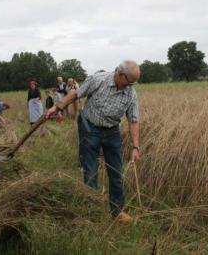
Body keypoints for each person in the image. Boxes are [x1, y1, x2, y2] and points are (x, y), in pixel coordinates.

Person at [45, 61, 141, 224]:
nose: (130, 86)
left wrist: (135, 147)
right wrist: (57, 107)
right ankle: (91, 213)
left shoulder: (130, 93)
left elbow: (133, 120)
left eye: (133, 83)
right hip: (90, 128)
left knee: (116, 173)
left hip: (112, 132)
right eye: (128, 82)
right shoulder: (98, 80)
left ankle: (117, 213)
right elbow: (75, 93)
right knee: (90, 173)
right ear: (119, 74)